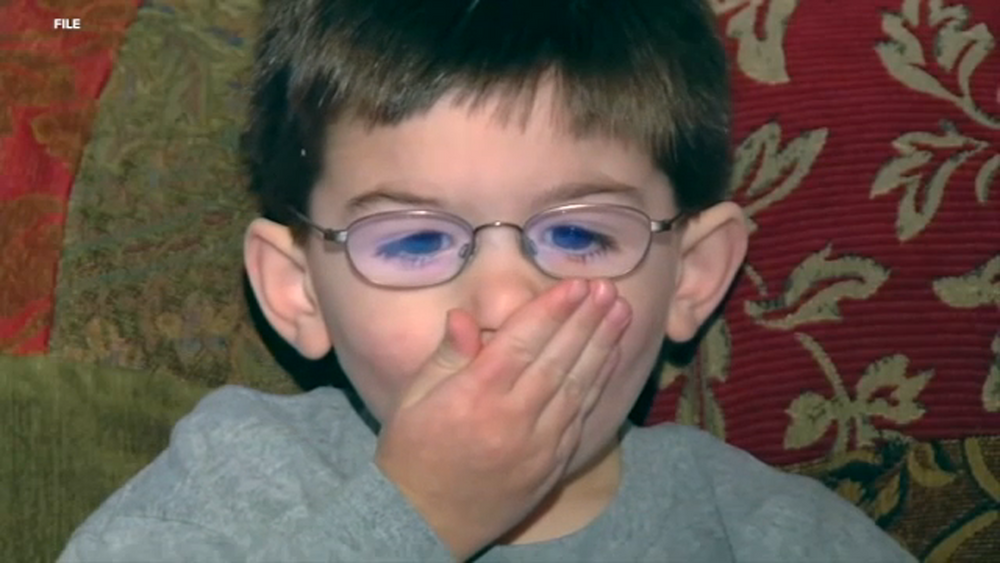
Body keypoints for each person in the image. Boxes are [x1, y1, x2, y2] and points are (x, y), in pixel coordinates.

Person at [59, 0, 917, 561]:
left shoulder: (778, 535)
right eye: (415, 239)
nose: (504, 302)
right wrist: (416, 515)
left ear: (691, 275)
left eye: (578, 233)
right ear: (298, 291)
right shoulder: (233, 479)